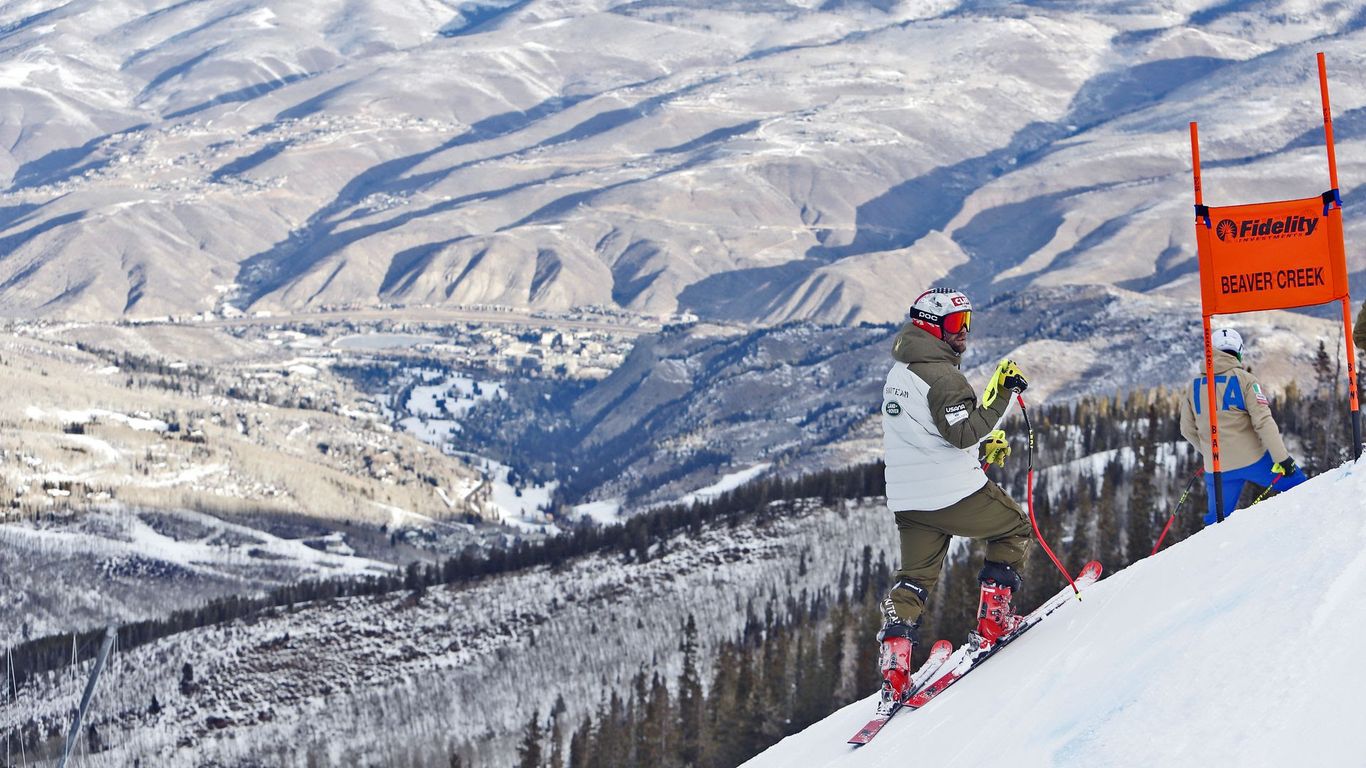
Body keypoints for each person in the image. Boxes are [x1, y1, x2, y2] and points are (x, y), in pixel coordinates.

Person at [876, 287, 1033, 709]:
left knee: (914, 580)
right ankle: (992, 623)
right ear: (932, 326)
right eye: (955, 325)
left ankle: (894, 669)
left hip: (910, 500)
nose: (963, 332)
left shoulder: (901, 373)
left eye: (967, 322)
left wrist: (980, 451)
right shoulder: (943, 376)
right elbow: (961, 431)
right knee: (1015, 527)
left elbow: (929, 438)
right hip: (951, 494)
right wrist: (1000, 396)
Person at [1179, 328, 1307, 525]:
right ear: (1238, 352)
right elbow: (1263, 422)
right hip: (1254, 460)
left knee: (1217, 522)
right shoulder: (1246, 380)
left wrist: (1208, 452)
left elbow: (1187, 430)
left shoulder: (1194, 385)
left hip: (1217, 467)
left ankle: (1213, 553)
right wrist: (1283, 460)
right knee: (1300, 486)